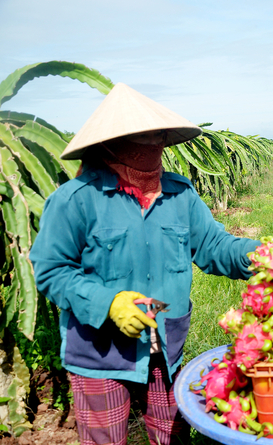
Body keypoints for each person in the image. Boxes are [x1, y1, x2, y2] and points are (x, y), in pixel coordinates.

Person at [29, 83, 260, 445]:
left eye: (158, 137)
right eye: (143, 138)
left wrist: (263, 256)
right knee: (105, 438)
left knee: (172, 434)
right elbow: (51, 270)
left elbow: (215, 245)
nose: (154, 146)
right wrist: (108, 304)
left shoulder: (179, 195)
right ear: (109, 145)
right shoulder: (76, 201)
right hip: (100, 351)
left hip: (165, 344)